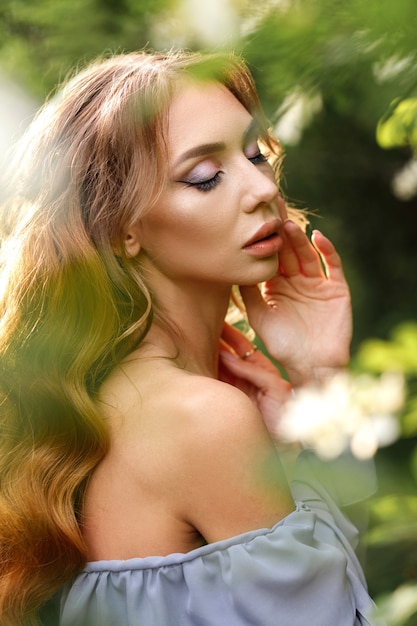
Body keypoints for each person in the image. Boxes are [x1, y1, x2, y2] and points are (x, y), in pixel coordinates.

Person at [0, 50, 375, 626]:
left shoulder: (104, 397)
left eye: (255, 154)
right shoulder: (202, 417)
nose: (259, 189)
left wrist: (319, 378)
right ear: (123, 227)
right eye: (205, 178)